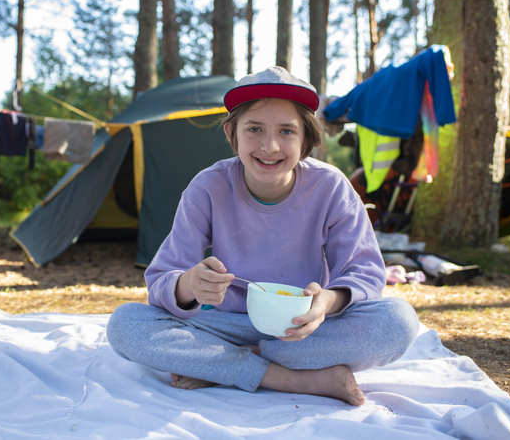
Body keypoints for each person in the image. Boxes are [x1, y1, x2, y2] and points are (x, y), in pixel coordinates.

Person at [106, 66, 419, 406]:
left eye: (287, 131)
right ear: (232, 133)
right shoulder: (208, 187)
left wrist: (326, 302)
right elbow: (162, 279)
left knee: (398, 322)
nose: (269, 146)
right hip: (223, 324)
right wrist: (190, 285)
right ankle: (287, 378)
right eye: (254, 129)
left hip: (302, 329)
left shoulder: (331, 187)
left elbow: (365, 272)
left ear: (307, 140)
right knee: (126, 324)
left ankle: (226, 363)